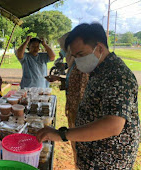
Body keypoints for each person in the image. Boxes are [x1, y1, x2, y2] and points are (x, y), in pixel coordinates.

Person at [37, 23, 140, 169]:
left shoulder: (117, 76)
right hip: (93, 156)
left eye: (80, 55)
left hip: (108, 161)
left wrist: (62, 135)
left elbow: (113, 125)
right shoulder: (100, 70)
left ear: (99, 48)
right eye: (74, 56)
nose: (77, 61)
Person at [45, 32, 89, 166]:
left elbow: (82, 91)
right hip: (73, 110)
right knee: (76, 145)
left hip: (79, 113)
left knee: (79, 144)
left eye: (63, 48)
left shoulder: (81, 66)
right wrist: (59, 79)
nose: (63, 52)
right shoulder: (73, 65)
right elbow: (73, 84)